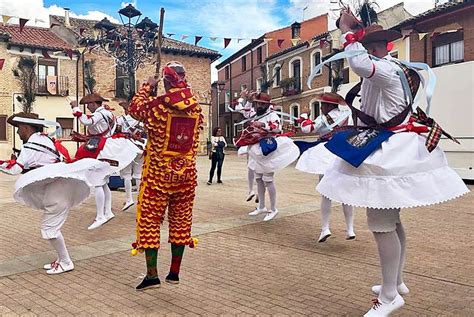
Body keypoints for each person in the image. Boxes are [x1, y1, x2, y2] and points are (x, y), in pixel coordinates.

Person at [313, 8, 469, 316]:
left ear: (378, 46)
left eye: (371, 44)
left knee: (381, 223)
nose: (370, 49)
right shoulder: (394, 66)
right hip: (393, 144)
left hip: (390, 150)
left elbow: (357, 63)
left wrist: (347, 30)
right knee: (392, 221)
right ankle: (395, 283)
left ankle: (388, 296)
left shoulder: (383, 69)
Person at [0, 112, 111, 274]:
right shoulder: (44, 139)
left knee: (50, 228)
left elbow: (15, 169)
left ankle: (66, 262)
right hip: (58, 187)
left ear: (25, 127)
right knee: (51, 227)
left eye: (18, 129)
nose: (17, 132)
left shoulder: (31, 146)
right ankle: (62, 259)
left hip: (57, 192)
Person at [128, 61, 202, 290]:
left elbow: (134, 107)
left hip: (158, 176)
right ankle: (174, 273)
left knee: (150, 222)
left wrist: (148, 86)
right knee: (181, 222)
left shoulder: (156, 106)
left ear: (167, 82)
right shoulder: (196, 107)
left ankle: (152, 275)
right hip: (186, 175)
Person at [70, 93, 140, 230]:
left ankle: (101, 215)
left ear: (95, 103)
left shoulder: (99, 114)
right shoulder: (108, 113)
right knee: (103, 182)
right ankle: (107, 212)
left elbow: (86, 121)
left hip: (101, 148)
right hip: (106, 146)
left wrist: (75, 108)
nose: (88, 107)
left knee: (97, 182)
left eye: (89, 105)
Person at [295, 92, 355, 242]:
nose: (321, 107)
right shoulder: (346, 115)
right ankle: (350, 229)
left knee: (326, 192)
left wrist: (303, 117)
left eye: (323, 105)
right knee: (345, 193)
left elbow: (307, 129)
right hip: (342, 150)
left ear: (328, 106)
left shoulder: (323, 118)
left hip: (326, 152)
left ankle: (325, 228)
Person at [235, 89, 299, 221]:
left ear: (267, 105)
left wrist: (263, 124)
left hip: (268, 148)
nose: (258, 106)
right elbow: (245, 113)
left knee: (268, 180)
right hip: (257, 148)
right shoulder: (255, 113)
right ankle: (262, 207)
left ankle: (273, 208)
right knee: (258, 178)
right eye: (257, 103)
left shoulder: (273, 114)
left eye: (261, 104)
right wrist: (247, 100)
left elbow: (277, 127)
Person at [116, 101, 146, 211]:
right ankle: (140, 200)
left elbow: (117, 132)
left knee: (127, 175)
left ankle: (129, 199)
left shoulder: (121, 120)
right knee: (138, 174)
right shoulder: (142, 120)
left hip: (127, 148)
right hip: (140, 148)